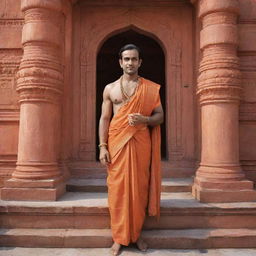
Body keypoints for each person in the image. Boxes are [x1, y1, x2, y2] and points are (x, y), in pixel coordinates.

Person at [98, 44, 164, 256]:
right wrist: (102, 146)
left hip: (140, 143)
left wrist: (145, 119)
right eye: (126, 59)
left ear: (140, 62)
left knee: (138, 190)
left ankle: (136, 235)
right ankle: (118, 238)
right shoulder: (110, 89)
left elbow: (160, 116)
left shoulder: (150, 88)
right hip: (116, 144)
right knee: (117, 191)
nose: (130, 63)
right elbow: (105, 118)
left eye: (134, 59)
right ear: (120, 62)